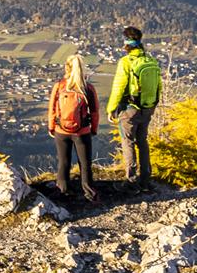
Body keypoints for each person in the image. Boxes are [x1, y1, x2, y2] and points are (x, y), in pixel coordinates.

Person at [106, 26, 162, 190]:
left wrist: (111, 109)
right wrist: (151, 105)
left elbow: (118, 87)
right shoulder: (151, 60)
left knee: (128, 142)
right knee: (142, 142)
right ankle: (145, 180)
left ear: (126, 44)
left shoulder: (126, 62)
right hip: (147, 108)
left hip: (130, 109)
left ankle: (131, 181)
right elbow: (159, 85)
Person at [47, 52, 100, 200]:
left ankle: (63, 189)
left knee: (64, 161)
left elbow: (52, 109)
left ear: (67, 68)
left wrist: (51, 127)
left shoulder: (59, 86)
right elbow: (94, 111)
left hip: (61, 130)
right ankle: (89, 192)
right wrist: (93, 129)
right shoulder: (87, 88)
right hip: (82, 131)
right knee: (85, 163)